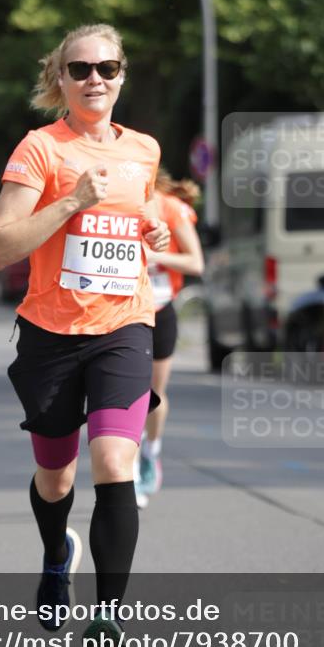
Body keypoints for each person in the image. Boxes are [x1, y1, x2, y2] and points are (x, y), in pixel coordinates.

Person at [0, 24, 170, 647]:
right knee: (56, 475)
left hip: (125, 326)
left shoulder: (144, 149)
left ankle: (109, 617)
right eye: (81, 69)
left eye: (107, 68)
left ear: (122, 75)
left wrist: (153, 233)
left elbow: (142, 216)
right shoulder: (40, 148)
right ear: (60, 79)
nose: (96, 78)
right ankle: (55, 554)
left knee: (116, 464)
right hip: (51, 335)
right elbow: (0, 248)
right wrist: (69, 202)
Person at [135, 168, 204, 508]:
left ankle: (151, 450)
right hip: (124, 312)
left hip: (161, 308)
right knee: (128, 395)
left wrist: (154, 256)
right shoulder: (117, 203)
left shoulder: (170, 208)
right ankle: (130, 471)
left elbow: (196, 263)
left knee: (154, 395)